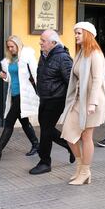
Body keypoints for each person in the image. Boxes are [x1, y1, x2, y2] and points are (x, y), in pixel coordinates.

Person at [61, 21, 105, 185]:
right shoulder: (81, 54)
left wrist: (92, 103)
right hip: (78, 100)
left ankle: (85, 171)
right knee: (69, 135)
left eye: (79, 33)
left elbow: (97, 80)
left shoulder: (95, 54)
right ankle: (80, 168)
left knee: (86, 137)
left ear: (87, 34)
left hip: (92, 102)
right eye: (75, 33)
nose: (76, 36)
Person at [0, 35, 40, 161]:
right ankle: (36, 145)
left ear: (18, 45)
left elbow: (36, 73)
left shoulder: (26, 56)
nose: (10, 49)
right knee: (24, 122)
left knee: (9, 122)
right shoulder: (9, 60)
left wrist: (41, 91)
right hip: (14, 94)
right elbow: (10, 78)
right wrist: (4, 76)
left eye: (12, 46)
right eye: (8, 47)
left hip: (23, 94)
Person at [29, 29, 75, 175]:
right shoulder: (44, 55)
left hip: (57, 99)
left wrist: (71, 103)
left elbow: (71, 82)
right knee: (46, 128)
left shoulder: (63, 58)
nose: (40, 42)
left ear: (53, 43)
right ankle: (69, 146)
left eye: (43, 40)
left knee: (46, 130)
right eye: (41, 40)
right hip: (44, 97)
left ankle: (45, 162)